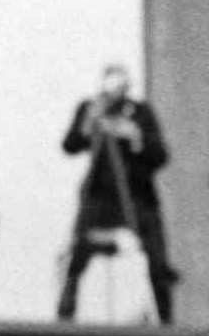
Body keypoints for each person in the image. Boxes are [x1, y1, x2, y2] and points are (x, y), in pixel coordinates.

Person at [58, 66, 175, 322]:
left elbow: (161, 156)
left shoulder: (141, 113)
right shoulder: (90, 109)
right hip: (99, 196)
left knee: (156, 261)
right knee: (78, 253)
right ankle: (65, 315)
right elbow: (70, 144)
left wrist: (135, 136)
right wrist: (90, 121)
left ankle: (165, 320)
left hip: (136, 197)